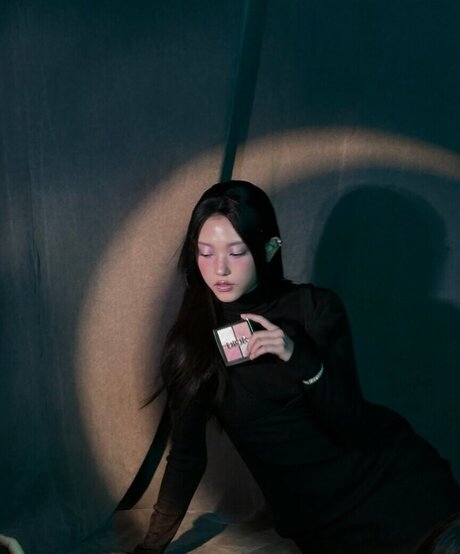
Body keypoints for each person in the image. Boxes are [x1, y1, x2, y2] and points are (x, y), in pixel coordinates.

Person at [131, 181, 460, 554]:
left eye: (236, 252)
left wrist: (299, 356)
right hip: (322, 522)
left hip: (397, 478)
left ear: (270, 249)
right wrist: (150, 548)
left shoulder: (315, 308)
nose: (219, 268)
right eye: (205, 252)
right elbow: (187, 457)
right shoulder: (193, 345)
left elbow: (350, 422)